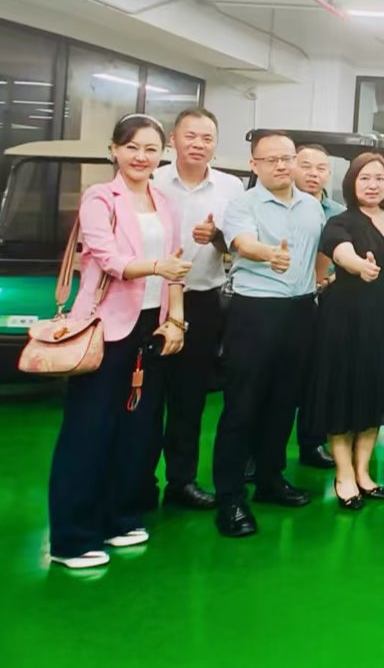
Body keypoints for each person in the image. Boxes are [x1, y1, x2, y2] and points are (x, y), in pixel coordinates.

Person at [47, 114, 189, 569]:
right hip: (105, 330)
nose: (141, 157)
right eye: (131, 147)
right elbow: (109, 259)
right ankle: (71, 538)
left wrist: (176, 320)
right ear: (114, 150)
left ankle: (118, 518)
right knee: (89, 431)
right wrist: (157, 268)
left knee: (136, 431)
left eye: (150, 149)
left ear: (162, 154)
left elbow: (177, 267)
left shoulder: (164, 202)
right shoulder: (99, 198)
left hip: (150, 326)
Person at [214, 131, 326, 538]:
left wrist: (320, 278)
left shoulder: (312, 205)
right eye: (271, 159)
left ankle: (269, 479)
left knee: (284, 402)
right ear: (254, 164)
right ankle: (230, 498)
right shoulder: (243, 204)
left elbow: (322, 249)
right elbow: (241, 243)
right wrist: (269, 254)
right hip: (255, 310)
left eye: (287, 158)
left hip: (301, 310)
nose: (281, 165)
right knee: (242, 405)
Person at [302, 153, 384, 510]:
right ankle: (344, 474)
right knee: (343, 396)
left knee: (374, 395)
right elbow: (341, 253)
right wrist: (360, 266)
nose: (373, 185)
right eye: (365, 178)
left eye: (379, 179)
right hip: (346, 324)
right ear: (351, 183)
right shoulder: (340, 222)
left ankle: (363, 472)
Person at [150, 107, 243, 511]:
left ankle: (181, 481)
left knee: (189, 398)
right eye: (190, 136)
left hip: (202, 301)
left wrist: (217, 236)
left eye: (207, 138)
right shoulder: (152, 179)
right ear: (173, 140)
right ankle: (139, 481)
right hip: (149, 301)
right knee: (146, 397)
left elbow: (235, 244)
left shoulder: (231, 187)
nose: (198, 144)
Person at [292, 142, 340, 470]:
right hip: (287, 301)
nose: (313, 174)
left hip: (327, 302)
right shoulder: (282, 206)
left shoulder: (338, 213)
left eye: (321, 168)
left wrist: (331, 278)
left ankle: (312, 442)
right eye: (306, 166)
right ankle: (258, 451)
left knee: (319, 375)